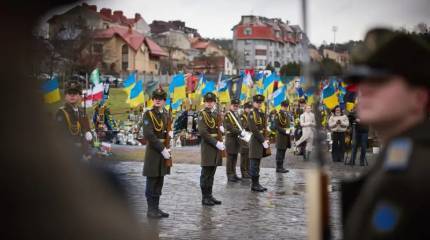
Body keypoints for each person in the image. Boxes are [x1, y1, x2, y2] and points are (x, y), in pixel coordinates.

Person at [341, 29, 430, 239]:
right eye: (361, 80)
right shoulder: (400, 155)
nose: (364, 90)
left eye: (380, 81)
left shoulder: (416, 170)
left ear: (420, 97)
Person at [140, 89, 171, 218]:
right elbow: (148, 134)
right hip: (154, 151)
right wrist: (162, 149)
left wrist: (170, 139)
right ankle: (151, 209)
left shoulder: (166, 114)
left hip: (164, 151)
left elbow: (166, 132)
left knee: (159, 180)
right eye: (155, 98)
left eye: (160, 98)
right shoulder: (148, 114)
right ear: (152, 100)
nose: (157, 100)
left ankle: (156, 208)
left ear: (164, 101)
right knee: (152, 181)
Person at [198, 92, 224, 206]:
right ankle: (205, 197)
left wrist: (222, 129)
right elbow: (203, 132)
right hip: (208, 147)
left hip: (215, 146)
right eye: (207, 101)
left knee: (212, 173)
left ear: (214, 102)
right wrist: (216, 143)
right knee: (206, 173)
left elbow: (217, 130)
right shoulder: (202, 114)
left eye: (211, 101)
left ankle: (210, 195)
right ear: (205, 102)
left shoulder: (215, 114)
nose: (209, 103)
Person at [56, 80, 93, 160]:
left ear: (80, 96)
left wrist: (89, 134)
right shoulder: (61, 113)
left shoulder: (82, 111)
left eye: (75, 93)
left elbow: (86, 132)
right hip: (68, 154)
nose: (72, 96)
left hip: (83, 152)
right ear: (65, 96)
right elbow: (61, 136)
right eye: (69, 93)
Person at [248, 94, 270, 192]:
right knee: (254, 164)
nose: (259, 104)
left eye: (260, 102)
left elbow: (263, 127)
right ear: (253, 103)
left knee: (257, 163)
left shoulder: (260, 113)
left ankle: (257, 183)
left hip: (261, 139)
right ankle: (254, 184)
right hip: (256, 141)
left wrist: (266, 137)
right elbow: (254, 129)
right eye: (257, 102)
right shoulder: (251, 113)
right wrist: (263, 140)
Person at [224, 98, 246, 182]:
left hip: (237, 139)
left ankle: (234, 173)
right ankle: (229, 174)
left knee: (235, 157)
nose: (236, 107)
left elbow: (240, 125)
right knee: (230, 158)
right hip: (230, 139)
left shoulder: (237, 114)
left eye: (237, 106)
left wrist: (242, 130)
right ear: (231, 105)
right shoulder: (228, 115)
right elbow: (229, 127)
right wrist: (240, 131)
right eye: (234, 106)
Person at [274, 100, 291, 173]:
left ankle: (281, 167)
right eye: (285, 107)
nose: (286, 108)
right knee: (280, 152)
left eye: (286, 107)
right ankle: (278, 168)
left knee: (283, 151)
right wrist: (285, 131)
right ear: (282, 106)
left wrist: (290, 130)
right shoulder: (278, 114)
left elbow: (287, 124)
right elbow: (276, 126)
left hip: (286, 136)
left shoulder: (286, 113)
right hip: (281, 136)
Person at [239, 102, 252, 179]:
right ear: (245, 108)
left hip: (250, 138)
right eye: (248, 108)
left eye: (250, 108)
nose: (250, 109)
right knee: (244, 156)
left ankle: (248, 170)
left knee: (249, 156)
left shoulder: (250, 116)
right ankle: (244, 172)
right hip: (244, 139)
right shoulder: (242, 117)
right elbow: (243, 127)